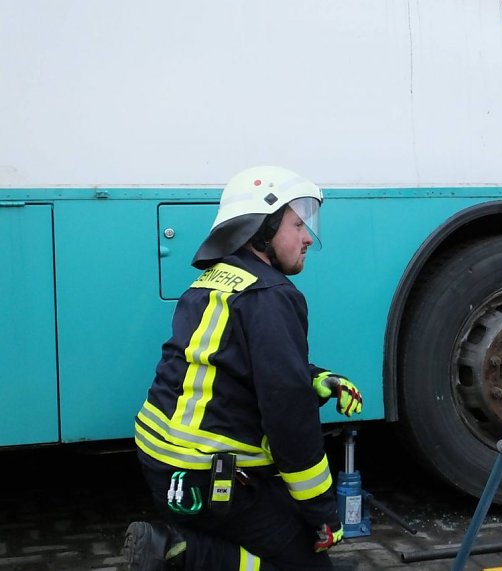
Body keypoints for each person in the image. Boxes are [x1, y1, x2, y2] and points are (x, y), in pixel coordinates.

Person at [123, 166, 363, 570]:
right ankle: (177, 554)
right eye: (297, 224)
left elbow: (236, 362)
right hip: (207, 476)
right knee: (308, 562)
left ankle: (186, 549)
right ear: (262, 228)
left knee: (267, 540)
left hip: (162, 462)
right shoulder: (272, 294)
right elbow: (289, 417)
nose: (308, 237)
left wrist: (314, 378)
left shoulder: (213, 280)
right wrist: (322, 512)